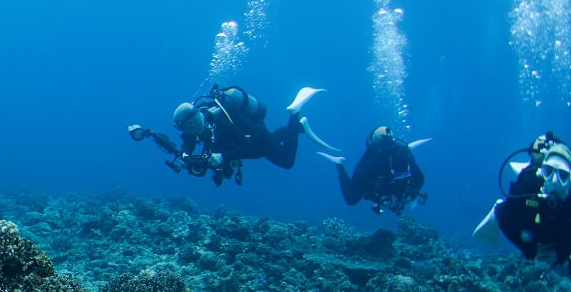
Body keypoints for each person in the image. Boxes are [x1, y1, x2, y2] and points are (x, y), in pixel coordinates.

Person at [163, 85, 336, 185]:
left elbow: (247, 146)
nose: (183, 132)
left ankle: (294, 113)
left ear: (191, 122)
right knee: (275, 140)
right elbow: (188, 142)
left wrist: (223, 156)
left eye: (183, 127)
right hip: (248, 144)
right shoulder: (198, 122)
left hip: (256, 139)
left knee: (287, 161)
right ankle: (297, 128)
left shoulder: (220, 120)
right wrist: (185, 156)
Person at [475, 132, 571, 266]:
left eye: (563, 175)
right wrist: (530, 250)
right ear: (541, 172)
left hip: (554, 226)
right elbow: (508, 219)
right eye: (549, 172)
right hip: (531, 219)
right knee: (507, 214)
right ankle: (495, 209)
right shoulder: (529, 185)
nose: (554, 181)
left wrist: (561, 255)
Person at [319, 126, 428, 214]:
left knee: (351, 199)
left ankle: (339, 163)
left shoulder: (372, 153)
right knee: (402, 190)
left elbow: (362, 177)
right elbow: (420, 177)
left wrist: (373, 197)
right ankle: (405, 197)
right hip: (397, 187)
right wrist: (410, 193)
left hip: (382, 186)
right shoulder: (402, 150)